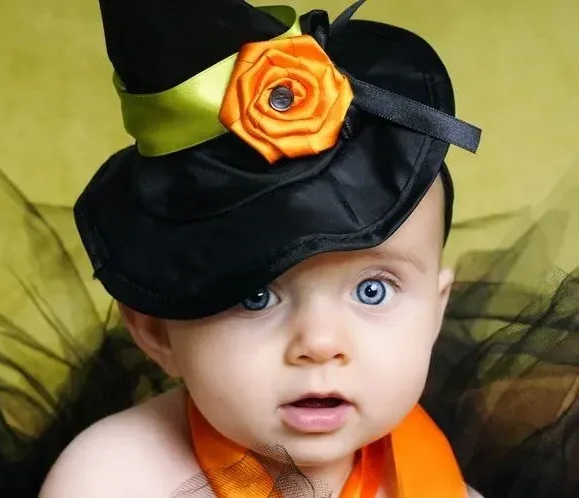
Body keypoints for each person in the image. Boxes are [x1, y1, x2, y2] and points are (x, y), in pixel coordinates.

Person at [41, 0, 487, 495]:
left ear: (435, 313)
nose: (320, 344)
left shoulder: (434, 481)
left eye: (372, 291)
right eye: (256, 294)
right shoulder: (115, 477)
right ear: (157, 333)